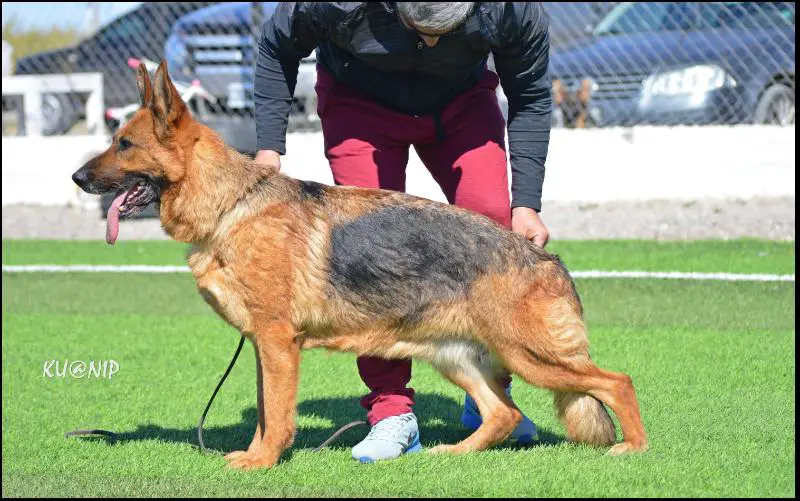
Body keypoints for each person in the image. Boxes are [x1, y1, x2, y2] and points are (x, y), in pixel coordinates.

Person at [253, 2, 552, 463]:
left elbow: (530, 93)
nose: (430, 41)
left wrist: (526, 203)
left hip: (460, 103)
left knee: (491, 224)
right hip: (360, 102)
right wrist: (269, 148)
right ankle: (391, 412)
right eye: (421, 30)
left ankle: (490, 398)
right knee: (369, 256)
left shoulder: (510, 10)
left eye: (444, 32)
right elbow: (276, 45)